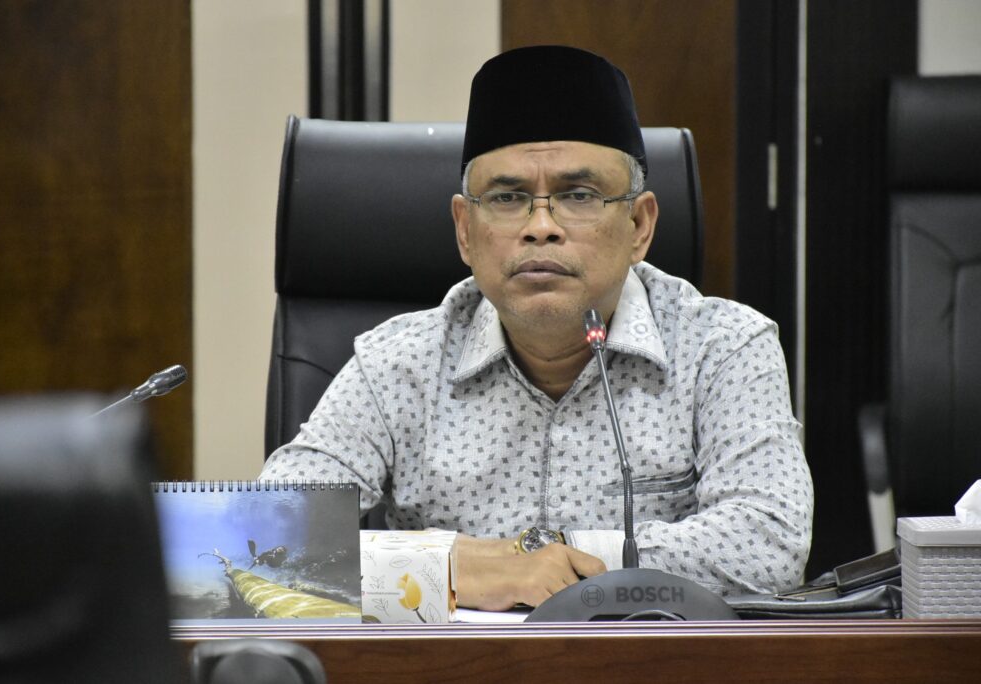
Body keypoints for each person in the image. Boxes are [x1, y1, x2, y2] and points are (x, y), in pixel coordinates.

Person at [261, 45, 813, 611]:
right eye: (507, 198)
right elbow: (254, 543)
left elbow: (770, 543)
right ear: (465, 230)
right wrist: (450, 568)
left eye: (579, 196)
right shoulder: (398, 364)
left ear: (639, 225)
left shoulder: (722, 348)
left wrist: (552, 558)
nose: (541, 226)